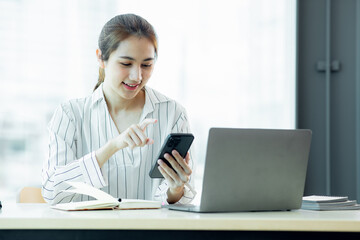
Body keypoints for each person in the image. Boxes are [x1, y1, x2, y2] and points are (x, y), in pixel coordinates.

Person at [41, 14, 195, 205]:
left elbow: (182, 201)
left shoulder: (173, 113)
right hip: (88, 233)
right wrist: (112, 147)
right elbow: (52, 193)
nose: (137, 76)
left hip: (152, 233)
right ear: (101, 58)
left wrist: (176, 188)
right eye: (126, 64)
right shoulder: (70, 114)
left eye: (146, 64)